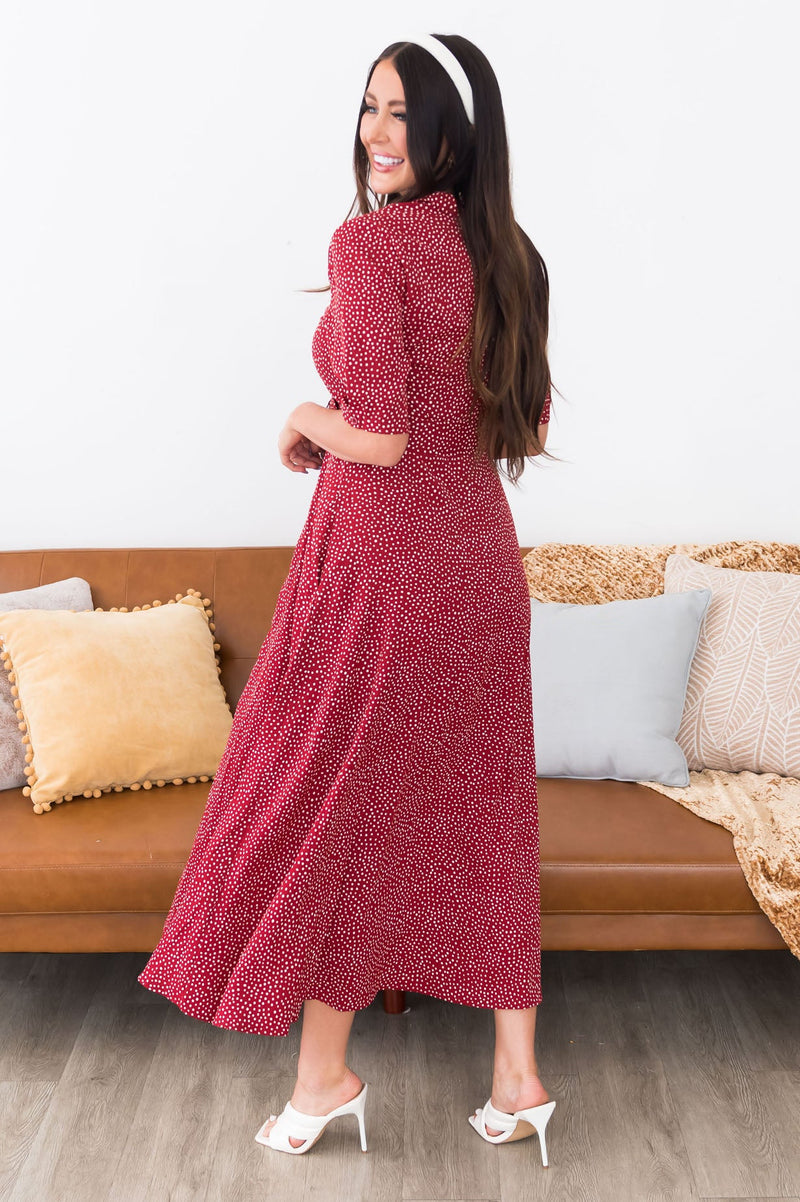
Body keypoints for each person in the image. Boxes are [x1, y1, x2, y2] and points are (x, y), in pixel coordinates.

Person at [137, 32, 558, 1160]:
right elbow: (522, 429)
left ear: (449, 131)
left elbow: (380, 433)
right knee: (485, 814)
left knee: (338, 815)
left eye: (401, 111)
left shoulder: (371, 245)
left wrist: (300, 418)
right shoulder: (513, 254)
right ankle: (517, 1076)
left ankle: (323, 1075)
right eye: (369, 107)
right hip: (481, 569)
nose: (377, 132)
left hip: (382, 571)